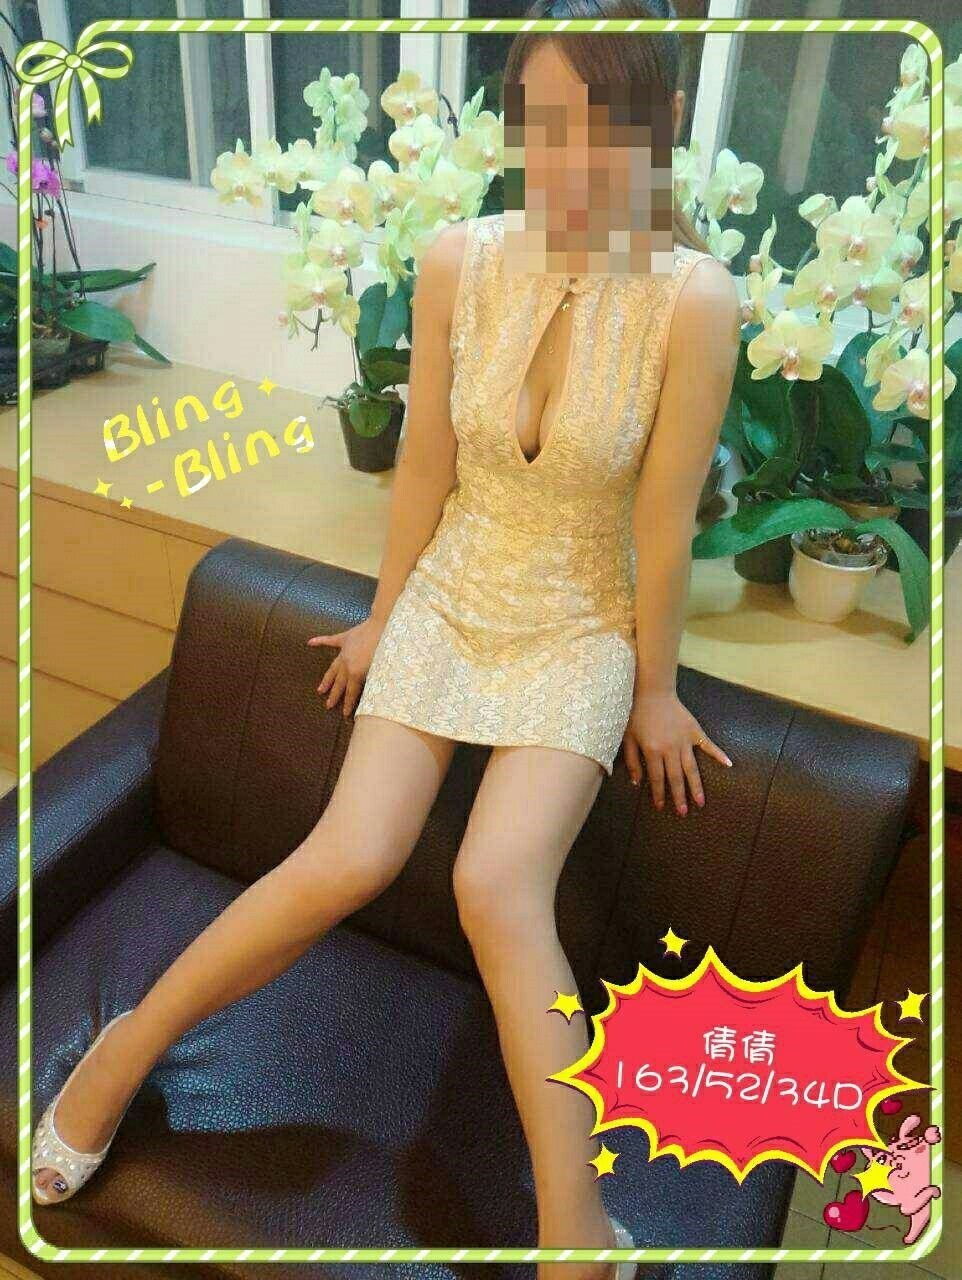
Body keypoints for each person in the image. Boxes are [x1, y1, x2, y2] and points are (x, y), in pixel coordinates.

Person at [32, 1, 742, 1276]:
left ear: (664, 123)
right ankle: (120, 1051)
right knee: (345, 852)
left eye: (603, 127)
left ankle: (577, 1236)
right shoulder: (459, 257)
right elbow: (423, 461)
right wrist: (380, 612)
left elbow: (662, 520)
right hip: (454, 587)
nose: (569, 160)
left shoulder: (695, 301)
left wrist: (651, 685)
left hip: (578, 616)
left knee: (495, 885)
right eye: (542, 125)